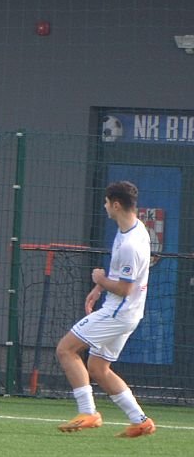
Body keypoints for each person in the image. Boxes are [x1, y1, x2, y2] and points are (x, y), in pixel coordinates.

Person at [54, 181, 156, 438]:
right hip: (126, 311)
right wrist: (99, 288)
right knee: (98, 368)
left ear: (116, 204)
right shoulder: (130, 229)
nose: (105, 206)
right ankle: (141, 420)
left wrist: (99, 279)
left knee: (66, 349)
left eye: (107, 202)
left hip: (119, 312)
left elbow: (124, 288)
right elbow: (119, 275)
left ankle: (88, 412)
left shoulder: (131, 243)